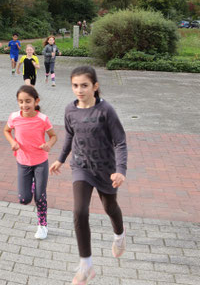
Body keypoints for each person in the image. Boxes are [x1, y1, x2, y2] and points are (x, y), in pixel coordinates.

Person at [49, 65, 128, 285]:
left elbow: (120, 141)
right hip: (81, 167)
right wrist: (61, 159)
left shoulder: (106, 111)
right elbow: (69, 137)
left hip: (106, 169)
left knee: (110, 207)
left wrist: (120, 170)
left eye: (84, 85)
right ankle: (86, 265)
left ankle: (119, 236)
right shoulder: (70, 110)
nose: (79, 90)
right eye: (75, 85)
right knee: (80, 211)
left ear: (95, 86)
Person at [3, 85, 57, 239]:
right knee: (24, 199)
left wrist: (49, 145)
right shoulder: (14, 117)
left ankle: (42, 225)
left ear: (36, 101)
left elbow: (54, 136)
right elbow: (6, 130)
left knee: (40, 196)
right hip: (23, 162)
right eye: (20, 101)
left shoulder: (42, 119)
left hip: (40, 162)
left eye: (28, 101)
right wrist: (12, 142)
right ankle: (33, 186)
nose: (24, 105)